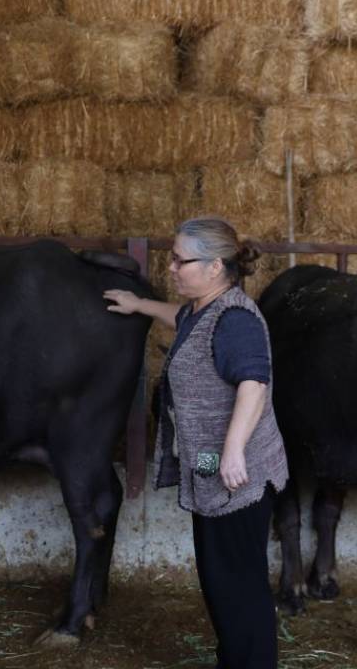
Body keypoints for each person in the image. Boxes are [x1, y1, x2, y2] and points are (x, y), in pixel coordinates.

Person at [104, 216, 289, 669]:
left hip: (239, 476)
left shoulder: (236, 319)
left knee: (239, 586)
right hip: (216, 475)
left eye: (179, 260)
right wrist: (139, 305)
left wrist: (232, 449)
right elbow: (179, 318)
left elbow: (254, 383)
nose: (171, 267)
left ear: (214, 267)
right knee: (221, 582)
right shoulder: (203, 310)